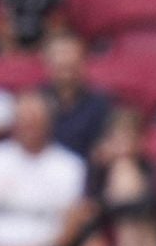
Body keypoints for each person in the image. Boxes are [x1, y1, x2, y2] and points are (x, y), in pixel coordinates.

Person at [0, 93, 90, 246]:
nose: (29, 126)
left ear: (49, 122)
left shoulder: (69, 165)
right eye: (24, 120)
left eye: (36, 120)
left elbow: (67, 233)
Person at [77, 109, 156, 246]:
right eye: (118, 138)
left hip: (146, 236)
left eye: (128, 138)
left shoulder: (146, 167)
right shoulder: (98, 169)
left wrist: (113, 204)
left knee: (125, 171)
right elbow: (91, 211)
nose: (123, 145)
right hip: (108, 236)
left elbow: (155, 204)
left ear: (140, 141)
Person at [41, 32, 114, 161]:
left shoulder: (100, 104)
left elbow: (105, 147)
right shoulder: (35, 101)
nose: (66, 60)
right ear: (48, 63)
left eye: (71, 58)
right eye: (60, 57)